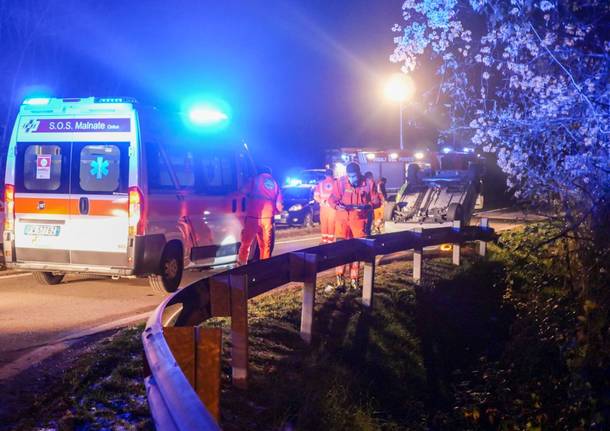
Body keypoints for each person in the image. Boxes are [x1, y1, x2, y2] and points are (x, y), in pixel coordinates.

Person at [330, 162, 381, 289]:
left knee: (356, 251)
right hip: (342, 222)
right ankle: (340, 281)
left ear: (359, 174)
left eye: (355, 176)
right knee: (341, 251)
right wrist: (337, 206)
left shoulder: (369, 184)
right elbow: (332, 200)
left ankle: (354, 281)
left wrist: (367, 206)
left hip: (359, 222)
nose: (353, 179)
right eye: (350, 176)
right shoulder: (340, 183)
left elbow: (377, 201)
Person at [237, 166, 283, 265]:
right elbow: (279, 204)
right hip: (267, 218)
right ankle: (264, 266)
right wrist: (276, 212)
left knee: (246, 243)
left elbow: (243, 191)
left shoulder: (255, 179)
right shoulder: (275, 183)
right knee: (266, 245)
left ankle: (241, 264)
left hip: (254, 216)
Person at [313, 168, 336, 244]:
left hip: (323, 207)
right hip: (333, 208)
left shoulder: (320, 184)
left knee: (324, 224)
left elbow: (316, 196)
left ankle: (324, 240)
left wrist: (322, 201)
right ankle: (330, 241)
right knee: (331, 224)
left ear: (325, 175)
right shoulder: (336, 183)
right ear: (332, 175)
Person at [363, 171, 375, 236]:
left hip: (363, 210)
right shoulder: (371, 183)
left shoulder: (362, 184)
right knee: (367, 227)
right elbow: (374, 197)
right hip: (369, 209)